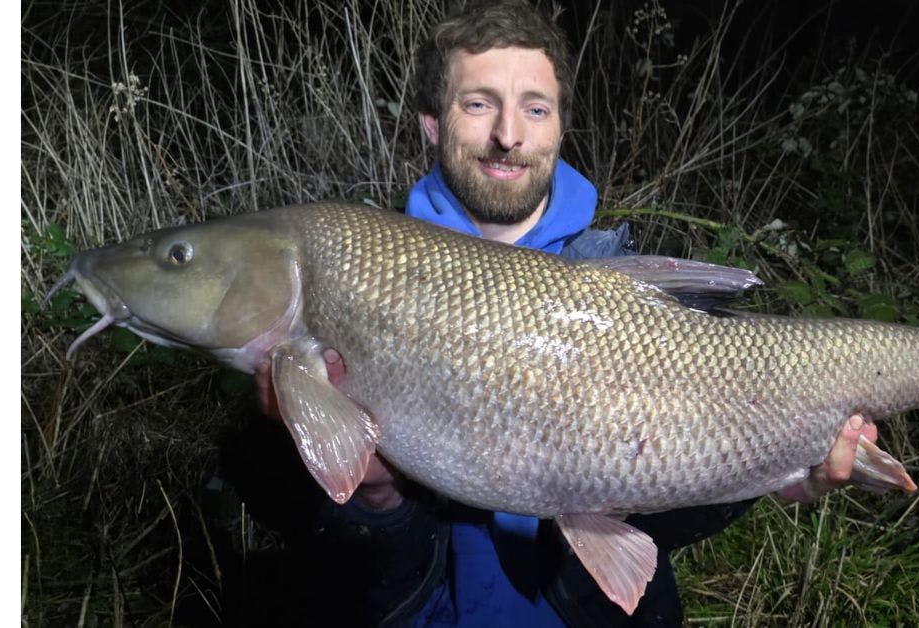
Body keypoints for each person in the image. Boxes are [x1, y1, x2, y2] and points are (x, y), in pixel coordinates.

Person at [228, 1, 879, 626]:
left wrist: (771, 474)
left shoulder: (625, 282)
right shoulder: (355, 269)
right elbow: (309, 544)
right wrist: (377, 498)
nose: (508, 135)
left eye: (534, 109)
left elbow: (668, 516)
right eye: (478, 103)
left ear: (560, 126)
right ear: (432, 123)